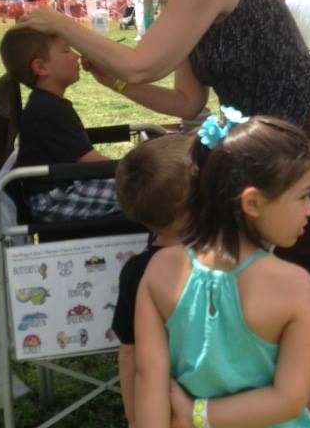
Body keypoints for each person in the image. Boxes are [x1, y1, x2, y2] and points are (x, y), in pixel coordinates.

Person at [16, 0, 310, 420]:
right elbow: (185, 101)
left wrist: (61, 22)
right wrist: (113, 82)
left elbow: (141, 65)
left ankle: (300, 400)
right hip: (261, 136)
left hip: (304, 122)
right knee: (257, 253)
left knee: (302, 257)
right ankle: (261, 378)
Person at [134, 113, 310, 428]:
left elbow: (149, 377)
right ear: (252, 202)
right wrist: (197, 415)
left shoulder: (160, 268)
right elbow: (289, 400)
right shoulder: (295, 286)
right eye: (303, 195)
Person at [111, 132, 194, 428]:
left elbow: (129, 351)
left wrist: (134, 417)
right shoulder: (228, 258)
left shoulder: (137, 271)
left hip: (164, 408)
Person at [0, 28, 119, 222]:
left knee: (144, 189)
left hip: (62, 187)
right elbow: (89, 160)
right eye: (66, 50)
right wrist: (136, 169)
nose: (77, 56)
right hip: (55, 199)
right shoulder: (49, 110)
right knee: (147, 194)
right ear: (41, 67)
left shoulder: (46, 103)